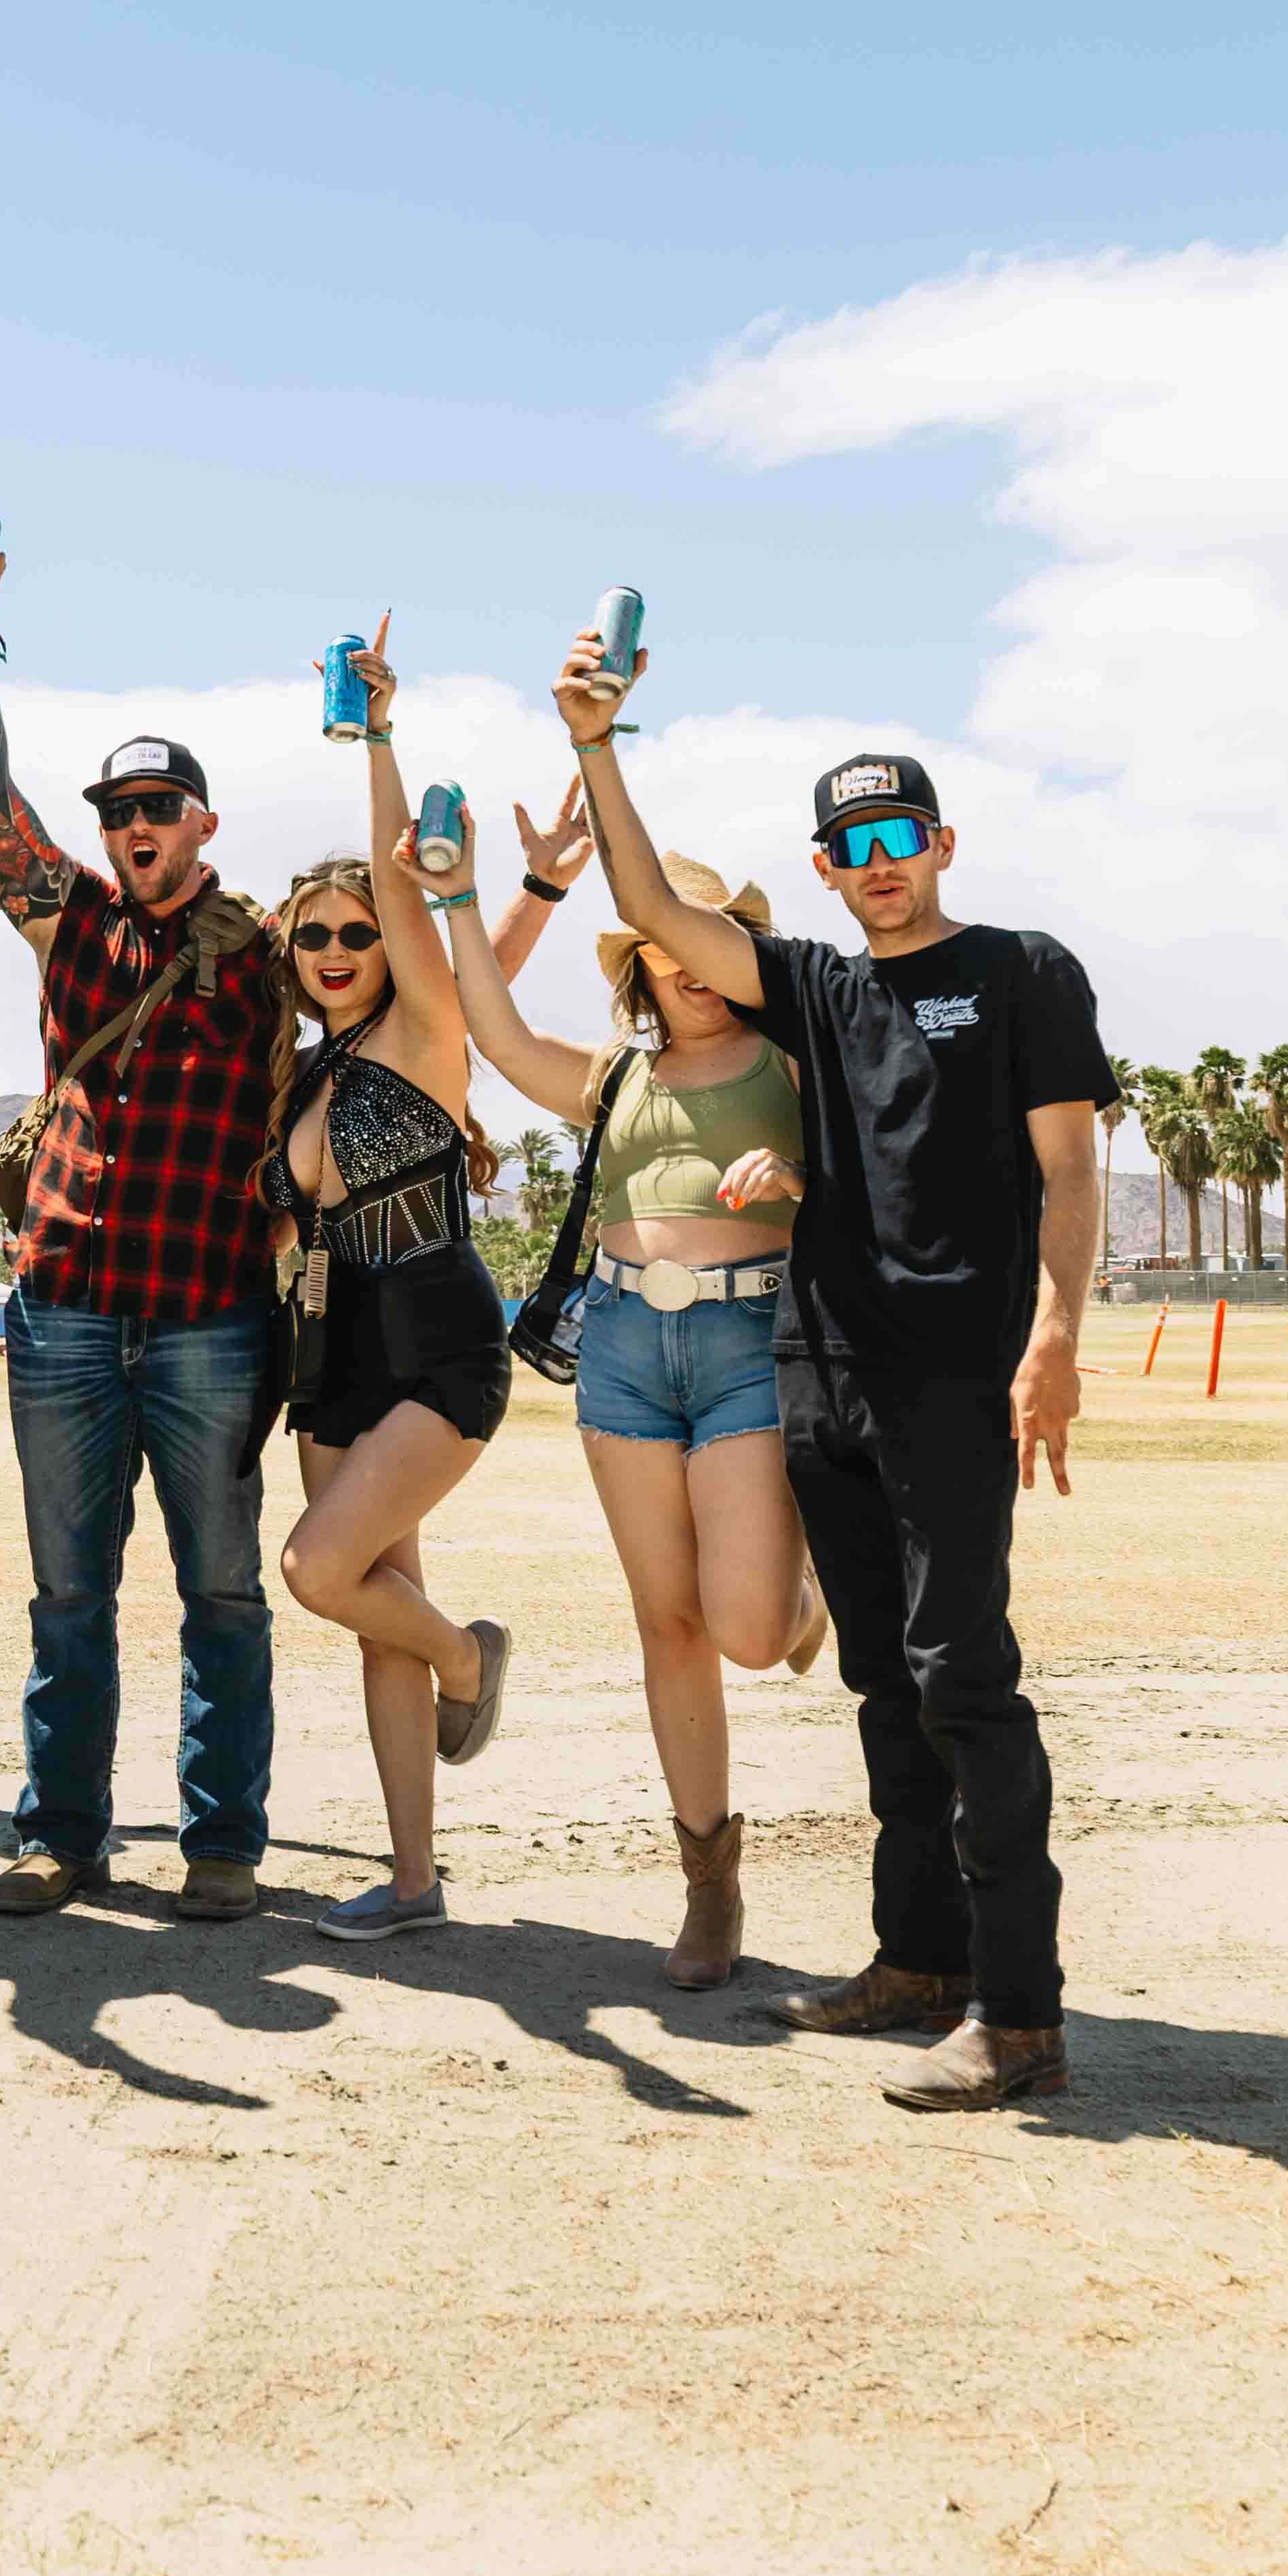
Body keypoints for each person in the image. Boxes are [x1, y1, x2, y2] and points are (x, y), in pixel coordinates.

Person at [556, 625, 1109, 2114]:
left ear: (938, 844)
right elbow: (651, 902)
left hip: (953, 1372)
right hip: (818, 1370)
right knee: (878, 1680)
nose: (876, 861)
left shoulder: (1022, 974)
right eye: (849, 843)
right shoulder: (813, 987)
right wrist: (597, 743)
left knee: (961, 1679)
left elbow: (1068, 1170)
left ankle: (1020, 2013)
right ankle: (916, 1963)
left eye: (896, 837)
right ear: (823, 868)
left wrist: (1057, 1333)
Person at [0, 533, 286, 1923]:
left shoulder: (267, 953)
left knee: (223, 1596)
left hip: (209, 1316)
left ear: (202, 820)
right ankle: (62, 1835)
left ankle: (221, 1846)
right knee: (69, 1598)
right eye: (118, 806)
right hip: (67, 1310)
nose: (134, 822)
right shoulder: (69, 922)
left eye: (159, 803)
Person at [443, 789, 832, 1989]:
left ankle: (800, 1597)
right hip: (620, 1353)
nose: (692, 969)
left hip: (746, 1352)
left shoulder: (798, 1064)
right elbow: (493, 1036)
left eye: (710, 943)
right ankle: (707, 1888)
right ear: (643, 969)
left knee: (751, 1635)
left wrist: (806, 1181)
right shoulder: (615, 1077)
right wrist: (463, 895)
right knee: (666, 1625)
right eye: (668, 951)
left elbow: (886, 1184)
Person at [257, 629, 519, 1942]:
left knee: (316, 1569)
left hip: (435, 1338)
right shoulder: (300, 1071)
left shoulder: (424, 1034)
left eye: (357, 930)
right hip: (332, 1360)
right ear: (290, 957)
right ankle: (412, 1883)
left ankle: (470, 1656)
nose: (340, 945)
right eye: (313, 938)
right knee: (375, 1619)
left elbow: (398, 890)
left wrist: (372, 737)